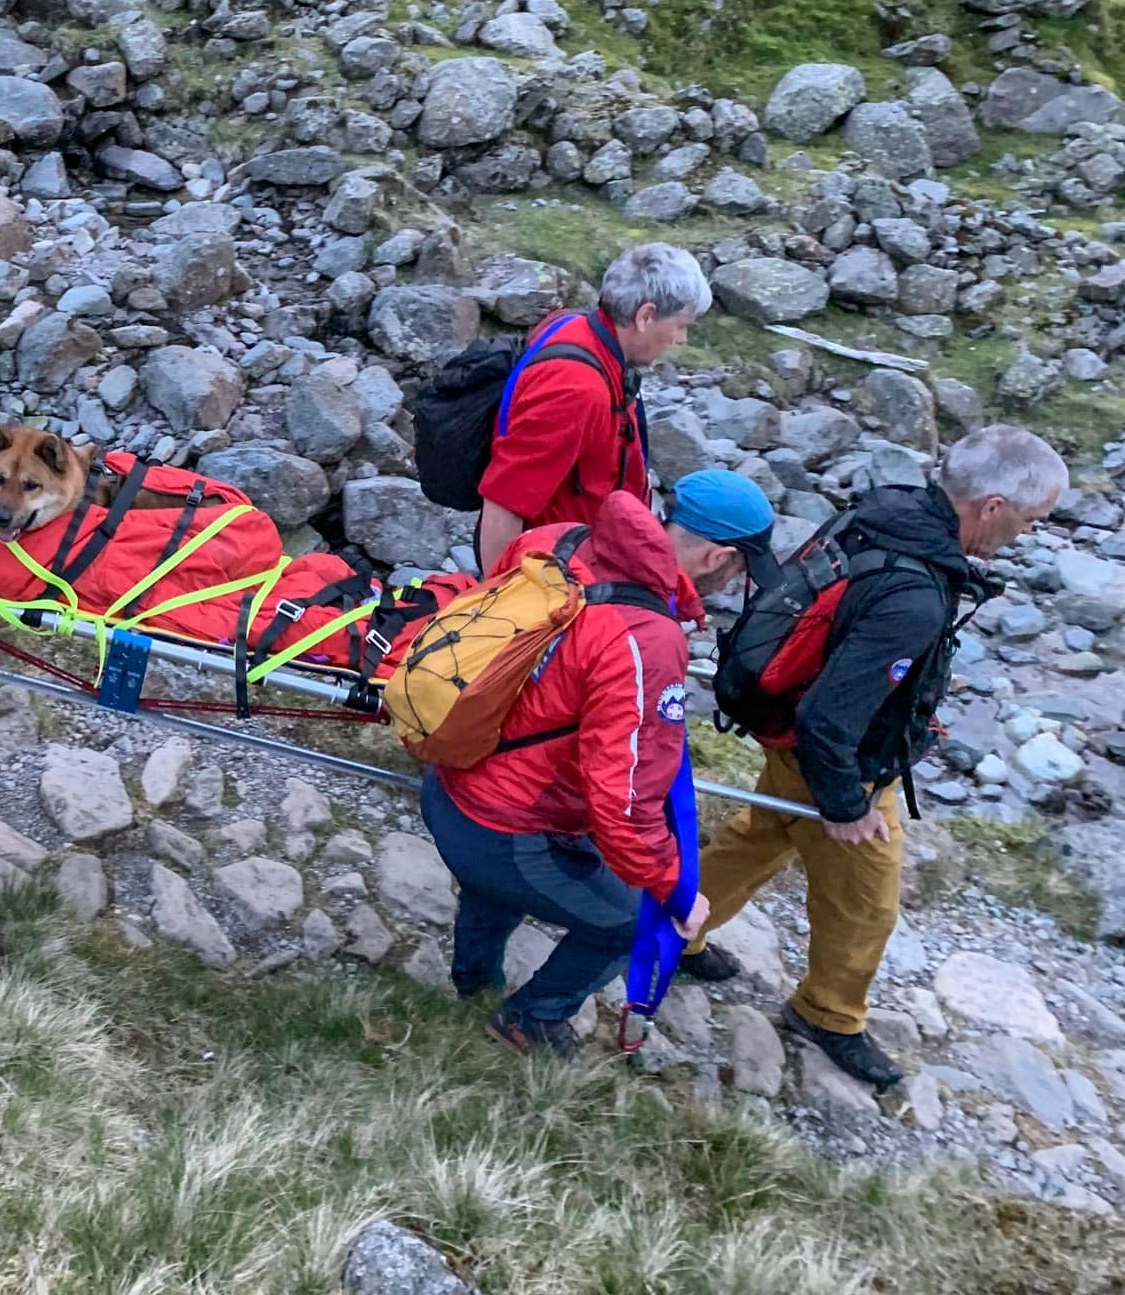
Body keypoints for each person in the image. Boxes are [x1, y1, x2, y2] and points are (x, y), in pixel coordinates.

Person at [682, 426, 1068, 1087]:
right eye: (1031, 522)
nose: (1027, 536)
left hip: (783, 730)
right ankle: (828, 1014)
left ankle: (672, 931)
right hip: (838, 761)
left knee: (760, 838)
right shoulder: (915, 594)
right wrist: (847, 807)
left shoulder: (885, 509)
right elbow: (829, 718)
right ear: (991, 507)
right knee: (867, 903)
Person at [421, 470, 777, 1056]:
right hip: (507, 824)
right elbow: (624, 803)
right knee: (631, 922)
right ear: (721, 556)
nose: (733, 581)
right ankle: (528, 1021)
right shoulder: (649, 638)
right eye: (740, 570)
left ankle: (472, 980)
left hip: (452, 776)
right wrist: (677, 893)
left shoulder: (560, 539)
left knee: (498, 886)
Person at [476, 243, 712, 574]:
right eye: (680, 325)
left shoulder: (576, 326)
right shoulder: (576, 388)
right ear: (645, 316)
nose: (682, 339)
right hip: (556, 573)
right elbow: (504, 501)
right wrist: (501, 604)